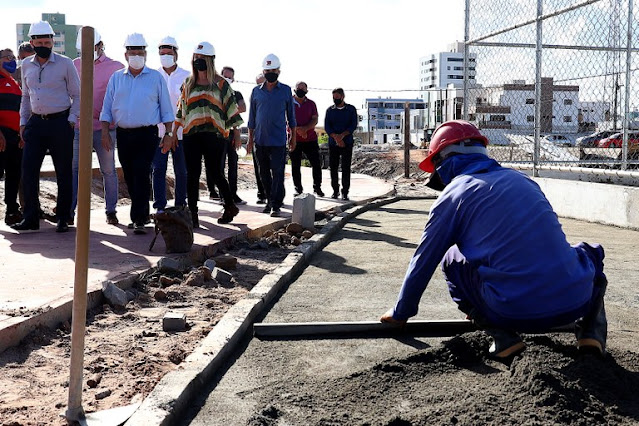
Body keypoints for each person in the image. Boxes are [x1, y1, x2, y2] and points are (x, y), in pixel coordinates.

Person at [380, 120, 608, 359]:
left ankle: (503, 337)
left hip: (512, 312)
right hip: (574, 303)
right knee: (590, 252)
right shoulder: (524, 181)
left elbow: (424, 259)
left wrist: (401, 312)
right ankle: (591, 333)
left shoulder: (454, 194)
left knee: (450, 259)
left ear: (443, 162)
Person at [99, 33, 173, 235]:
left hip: (147, 134)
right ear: (126, 55)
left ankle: (139, 218)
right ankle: (141, 212)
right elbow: (106, 108)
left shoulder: (155, 78)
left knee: (141, 172)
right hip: (123, 134)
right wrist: (105, 132)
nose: (137, 56)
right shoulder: (116, 78)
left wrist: (168, 133)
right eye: (133, 53)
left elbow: (166, 108)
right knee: (130, 176)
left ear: (146, 54)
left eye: (140, 52)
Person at [12, 21, 80, 233]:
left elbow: (77, 95)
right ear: (32, 42)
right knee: (28, 170)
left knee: (63, 172)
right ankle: (31, 217)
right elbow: (25, 96)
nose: (44, 45)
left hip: (60, 123)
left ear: (52, 41)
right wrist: (23, 122)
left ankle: (63, 217)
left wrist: (71, 120)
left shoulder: (65, 63)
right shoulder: (26, 66)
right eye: (40, 41)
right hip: (35, 123)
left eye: (47, 41)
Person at [170, 41, 242, 228]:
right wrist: (173, 133)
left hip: (215, 134)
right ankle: (193, 214)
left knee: (215, 172)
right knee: (192, 174)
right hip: (191, 134)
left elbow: (231, 110)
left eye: (202, 58)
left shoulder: (221, 84)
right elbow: (181, 111)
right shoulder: (188, 83)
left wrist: (236, 134)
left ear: (210, 60)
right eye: (196, 58)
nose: (198, 61)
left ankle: (229, 205)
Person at [71, 28, 124, 225]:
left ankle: (111, 210)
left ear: (100, 45)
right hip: (78, 128)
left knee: (108, 170)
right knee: (75, 169)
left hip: (105, 128)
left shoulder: (116, 67)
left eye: (91, 47)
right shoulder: (74, 65)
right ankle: (70, 211)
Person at [247, 54, 297, 217]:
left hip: (278, 140)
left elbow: (291, 117)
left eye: (273, 70)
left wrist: (293, 137)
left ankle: (275, 204)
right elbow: (252, 118)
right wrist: (249, 139)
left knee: (278, 172)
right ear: (263, 71)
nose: (270, 73)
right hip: (260, 140)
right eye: (267, 70)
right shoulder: (256, 92)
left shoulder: (285, 90)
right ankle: (269, 200)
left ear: (279, 71)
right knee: (263, 173)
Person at [153, 36, 189, 214]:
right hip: (159, 133)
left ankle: (181, 205)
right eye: (162, 53)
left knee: (181, 171)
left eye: (168, 53)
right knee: (158, 170)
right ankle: (160, 206)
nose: (165, 56)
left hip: (181, 134)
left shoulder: (187, 77)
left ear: (176, 53)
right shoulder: (153, 75)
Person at [206, 66, 246, 205]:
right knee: (218, 165)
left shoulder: (237, 94)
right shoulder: (213, 92)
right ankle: (219, 193)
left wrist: (226, 110)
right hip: (216, 134)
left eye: (230, 77)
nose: (227, 79)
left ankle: (233, 193)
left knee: (233, 163)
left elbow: (243, 107)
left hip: (231, 133)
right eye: (225, 76)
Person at [0, 48, 23, 225]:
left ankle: (12, 210)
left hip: (15, 136)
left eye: (13, 57)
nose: (12, 60)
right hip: (2, 135)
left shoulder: (14, 82)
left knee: (14, 174)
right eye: (8, 57)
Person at [290, 81, 323, 197]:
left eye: (303, 88)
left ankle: (317, 187)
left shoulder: (311, 104)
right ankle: (298, 189)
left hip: (310, 139)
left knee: (316, 163)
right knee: (295, 165)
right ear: (294, 89)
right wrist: (298, 130)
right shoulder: (288, 103)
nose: (300, 90)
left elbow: (315, 119)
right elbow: (285, 119)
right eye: (298, 88)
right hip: (294, 139)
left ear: (306, 90)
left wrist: (305, 129)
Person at [324, 88, 358, 200]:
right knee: (333, 167)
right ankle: (335, 191)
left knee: (345, 168)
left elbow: (353, 125)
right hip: (333, 144)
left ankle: (345, 192)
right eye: (334, 97)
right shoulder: (330, 110)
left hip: (347, 143)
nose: (335, 99)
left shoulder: (351, 109)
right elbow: (327, 127)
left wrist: (342, 136)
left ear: (342, 96)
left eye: (337, 97)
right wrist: (336, 138)